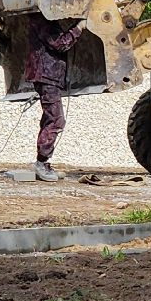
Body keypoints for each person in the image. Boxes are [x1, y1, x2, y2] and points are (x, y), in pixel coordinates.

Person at [24, 16, 85, 181]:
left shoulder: (40, 21)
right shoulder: (44, 22)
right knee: (56, 120)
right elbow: (61, 43)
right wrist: (78, 28)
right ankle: (41, 163)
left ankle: (43, 162)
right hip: (47, 75)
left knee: (49, 118)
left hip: (46, 75)